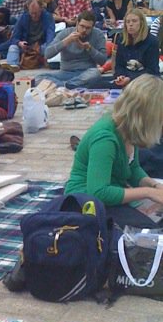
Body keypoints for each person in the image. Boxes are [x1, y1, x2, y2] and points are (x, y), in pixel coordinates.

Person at [65, 75, 163, 228]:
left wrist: (154, 186)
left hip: (112, 193)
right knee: (148, 231)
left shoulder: (127, 128)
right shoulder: (105, 139)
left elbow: (133, 169)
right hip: (84, 201)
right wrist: (147, 192)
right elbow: (99, 192)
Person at [39, 11, 107, 88]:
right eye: (82, 26)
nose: (84, 30)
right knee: (40, 77)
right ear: (77, 24)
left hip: (86, 72)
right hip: (65, 73)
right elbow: (47, 54)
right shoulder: (66, 33)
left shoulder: (98, 35)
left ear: (93, 27)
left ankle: (66, 85)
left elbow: (103, 61)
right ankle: (70, 85)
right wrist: (66, 41)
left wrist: (90, 49)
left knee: (95, 73)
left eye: (88, 28)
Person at [0, 0, 55, 67]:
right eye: (31, 13)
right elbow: (14, 37)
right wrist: (20, 43)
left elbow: (50, 36)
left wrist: (47, 46)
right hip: (26, 46)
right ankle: (12, 66)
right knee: (13, 47)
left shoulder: (48, 17)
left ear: (41, 9)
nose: (34, 15)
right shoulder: (23, 18)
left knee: (47, 48)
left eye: (36, 13)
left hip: (40, 46)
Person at [114, 8, 160, 87]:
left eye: (134, 21)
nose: (130, 24)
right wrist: (120, 76)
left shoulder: (152, 41)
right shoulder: (122, 40)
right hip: (126, 78)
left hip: (146, 81)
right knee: (97, 84)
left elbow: (152, 70)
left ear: (142, 23)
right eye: (128, 22)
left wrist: (130, 79)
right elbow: (119, 65)